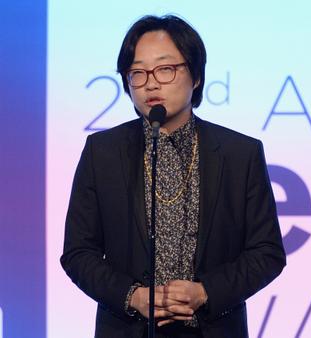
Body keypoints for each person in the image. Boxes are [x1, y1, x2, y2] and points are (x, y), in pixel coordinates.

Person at [61, 14, 286, 338]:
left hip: (212, 329)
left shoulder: (240, 154)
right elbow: (78, 253)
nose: (151, 83)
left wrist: (206, 292)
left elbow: (267, 253)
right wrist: (132, 296)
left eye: (165, 69)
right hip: (128, 329)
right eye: (137, 73)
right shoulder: (103, 152)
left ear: (195, 75)